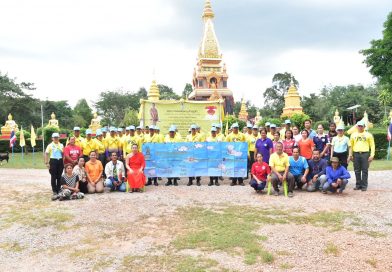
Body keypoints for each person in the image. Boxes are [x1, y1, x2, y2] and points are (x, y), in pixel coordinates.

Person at [349, 120, 375, 191]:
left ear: (364, 126)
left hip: (365, 154)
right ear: (356, 126)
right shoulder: (353, 135)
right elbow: (351, 145)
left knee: (364, 170)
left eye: (361, 126)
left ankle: (364, 186)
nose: (360, 127)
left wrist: (372, 155)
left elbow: (372, 145)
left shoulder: (368, 135)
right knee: (356, 170)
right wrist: (350, 155)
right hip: (356, 154)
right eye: (359, 126)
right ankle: (358, 185)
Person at [45, 133, 64, 201]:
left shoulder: (61, 145)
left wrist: (63, 162)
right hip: (53, 161)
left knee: (59, 176)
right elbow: (46, 153)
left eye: (57, 137)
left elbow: (63, 154)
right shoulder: (50, 145)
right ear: (52, 138)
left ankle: (58, 189)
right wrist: (47, 162)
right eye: (54, 137)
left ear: (59, 138)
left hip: (60, 161)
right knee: (53, 176)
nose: (56, 138)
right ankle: (54, 190)